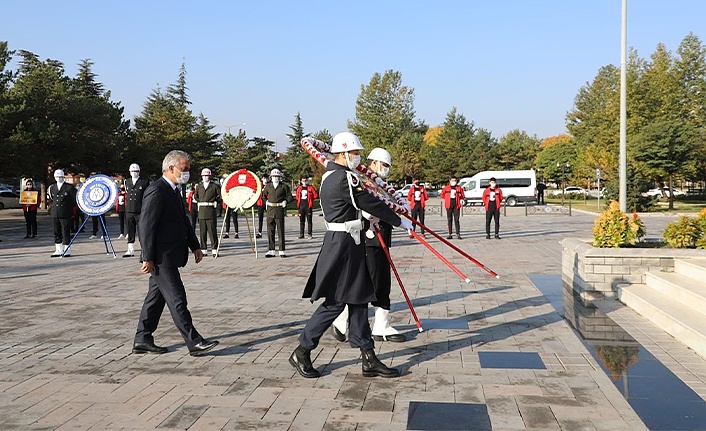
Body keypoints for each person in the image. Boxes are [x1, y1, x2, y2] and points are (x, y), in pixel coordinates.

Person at [289, 132, 413, 379]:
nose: (358, 157)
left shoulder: (331, 176)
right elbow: (370, 202)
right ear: (344, 153)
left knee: (358, 299)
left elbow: (354, 207)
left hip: (349, 241)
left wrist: (366, 218)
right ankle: (302, 350)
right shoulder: (344, 178)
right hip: (342, 245)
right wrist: (399, 220)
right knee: (335, 302)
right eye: (355, 153)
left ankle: (368, 357)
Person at [133, 150, 219, 357]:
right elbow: (146, 226)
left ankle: (142, 338)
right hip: (161, 257)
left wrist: (195, 245)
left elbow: (183, 221)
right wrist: (147, 256)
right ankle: (194, 342)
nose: (187, 172)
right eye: (184, 168)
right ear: (171, 168)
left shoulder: (174, 190)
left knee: (155, 298)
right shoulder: (157, 190)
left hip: (171, 253)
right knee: (177, 298)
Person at [331, 147, 406, 344]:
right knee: (367, 283)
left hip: (381, 237)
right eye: (384, 165)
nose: (387, 169)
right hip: (368, 238)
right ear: (373, 163)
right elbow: (360, 203)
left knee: (381, 283)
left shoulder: (380, 185)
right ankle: (341, 318)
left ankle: (381, 324)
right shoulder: (361, 180)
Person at [262, 169, 292, 257]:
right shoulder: (268, 186)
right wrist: (266, 202)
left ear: (279, 177)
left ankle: (281, 250)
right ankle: (271, 249)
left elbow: (290, 196)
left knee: (280, 230)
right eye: (274, 177)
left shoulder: (284, 186)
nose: (275, 178)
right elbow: (263, 196)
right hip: (270, 209)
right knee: (270, 230)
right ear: (271, 177)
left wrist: (285, 201)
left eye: (277, 177)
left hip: (279, 209)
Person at [48, 169, 77, 257]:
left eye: (60, 177)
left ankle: (67, 250)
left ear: (63, 177)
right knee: (56, 231)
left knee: (65, 231)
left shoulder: (69, 187)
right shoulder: (52, 187)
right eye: (57, 177)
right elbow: (52, 199)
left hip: (65, 212)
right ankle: (58, 249)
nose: (58, 178)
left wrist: (68, 208)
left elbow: (75, 200)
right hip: (55, 213)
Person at [124, 163, 150, 258]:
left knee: (142, 231)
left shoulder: (144, 182)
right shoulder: (127, 181)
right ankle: (130, 249)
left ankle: (144, 250)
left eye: (136, 171)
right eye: (132, 171)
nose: (134, 173)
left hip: (140, 210)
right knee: (130, 230)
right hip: (129, 210)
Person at [193, 168, 221, 257]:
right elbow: (196, 196)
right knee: (202, 232)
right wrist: (200, 201)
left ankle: (214, 249)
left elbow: (220, 196)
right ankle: (204, 249)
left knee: (212, 231)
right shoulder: (199, 187)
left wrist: (216, 201)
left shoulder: (215, 186)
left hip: (211, 210)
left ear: (210, 176)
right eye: (204, 176)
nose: (205, 177)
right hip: (201, 211)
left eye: (207, 175)